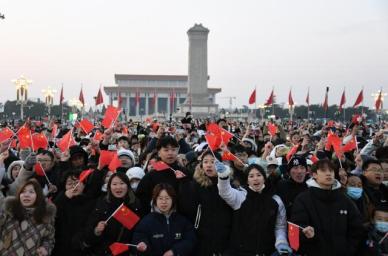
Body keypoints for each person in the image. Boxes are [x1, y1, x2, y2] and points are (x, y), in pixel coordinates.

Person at [291, 159, 363, 256]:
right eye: (324, 170)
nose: (328, 174)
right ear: (314, 174)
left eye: (331, 171)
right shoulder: (303, 199)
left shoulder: (344, 199)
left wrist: (348, 249)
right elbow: (296, 227)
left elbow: (356, 228)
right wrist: (305, 233)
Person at [217, 163, 291, 255]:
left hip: (266, 251)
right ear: (247, 181)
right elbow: (225, 192)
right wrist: (223, 177)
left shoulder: (275, 200)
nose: (255, 178)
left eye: (259, 175)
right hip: (240, 252)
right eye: (251, 176)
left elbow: (280, 226)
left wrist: (281, 242)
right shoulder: (241, 196)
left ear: (264, 178)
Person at [182, 150, 233, 256]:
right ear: (201, 165)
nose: (209, 165)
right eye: (205, 162)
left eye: (213, 162)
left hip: (224, 236)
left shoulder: (228, 185)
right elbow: (188, 211)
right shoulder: (195, 186)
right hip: (201, 237)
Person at [80, 172, 143, 255]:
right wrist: (97, 231)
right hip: (104, 251)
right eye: (114, 184)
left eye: (122, 183)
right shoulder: (102, 203)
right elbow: (88, 232)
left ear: (128, 186)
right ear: (109, 187)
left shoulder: (136, 204)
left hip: (126, 251)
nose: (118, 187)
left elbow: (139, 231)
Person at [133, 183, 196, 256]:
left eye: (167, 198)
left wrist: (174, 251)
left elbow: (191, 240)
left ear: (173, 199)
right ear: (155, 200)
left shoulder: (182, 221)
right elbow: (138, 238)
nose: (164, 202)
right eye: (160, 198)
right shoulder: (146, 221)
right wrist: (143, 244)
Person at [0, 179, 56, 255]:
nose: (26, 195)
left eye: (31, 192)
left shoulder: (45, 216)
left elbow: (49, 239)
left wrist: (45, 248)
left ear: (38, 195)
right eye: (23, 191)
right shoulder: (9, 211)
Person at [136, 136, 188, 213]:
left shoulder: (184, 172)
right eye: (166, 150)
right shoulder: (151, 175)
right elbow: (141, 198)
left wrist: (183, 181)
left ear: (177, 152)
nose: (170, 153)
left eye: (173, 150)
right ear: (159, 153)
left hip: (180, 218)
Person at [52, 171, 97, 256]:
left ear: (84, 185)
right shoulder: (60, 200)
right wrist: (64, 198)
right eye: (69, 183)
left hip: (81, 248)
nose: (74, 186)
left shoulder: (91, 202)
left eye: (77, 182)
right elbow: (52, 214)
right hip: (60, 248)